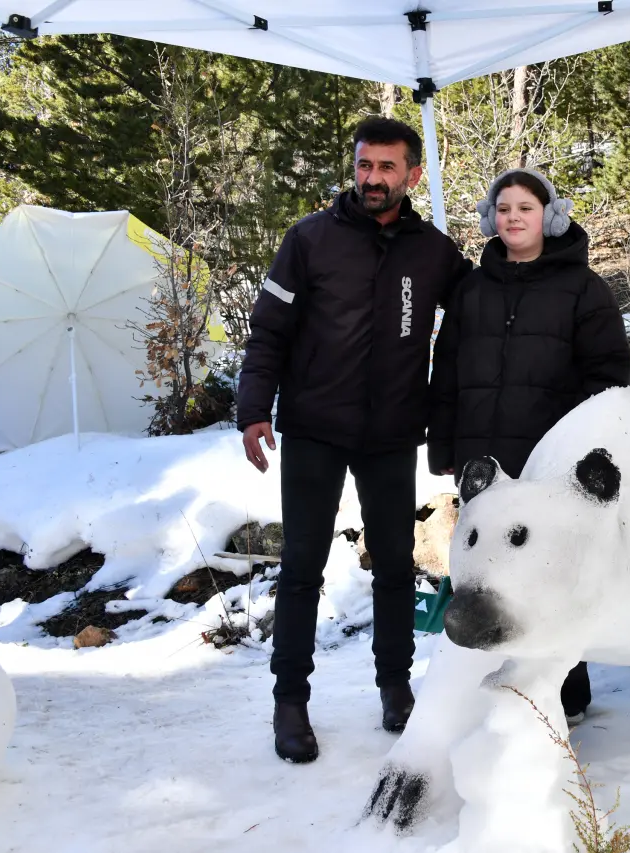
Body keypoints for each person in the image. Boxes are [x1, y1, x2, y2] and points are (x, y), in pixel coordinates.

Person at [236, 117, 473, 764]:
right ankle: (291, 702)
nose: (372, 178)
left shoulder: (433, 252)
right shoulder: (309, 239)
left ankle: (395, 688)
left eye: (387, 168)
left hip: (392, 431)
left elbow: (487, 302)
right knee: (302, 567)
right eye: (365, 165)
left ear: (413, 174)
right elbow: (268, 331)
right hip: (315, 427)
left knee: (396, 565)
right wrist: (254, 405)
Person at [426, 167, 630, 723]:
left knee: (546, 572)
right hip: (481, 458)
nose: (513, 217)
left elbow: (609, 376)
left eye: (526, 208)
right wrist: (443, 446)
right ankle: (494, 682)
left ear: (550, 216)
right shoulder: (471, 290)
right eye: (504, 208)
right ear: (490, 217)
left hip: (548, 459)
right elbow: (445, 373)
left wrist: (579, 448)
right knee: (488, 570)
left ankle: (566, 688)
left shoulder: (584, 289)